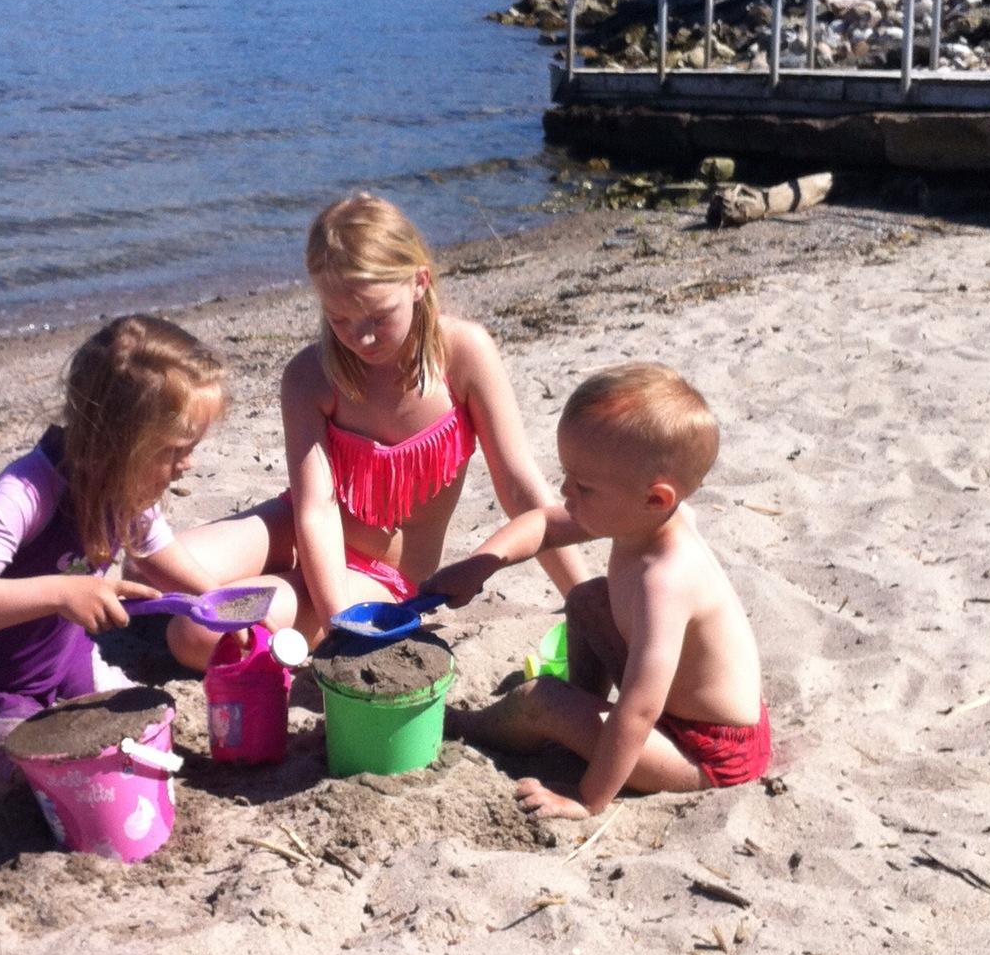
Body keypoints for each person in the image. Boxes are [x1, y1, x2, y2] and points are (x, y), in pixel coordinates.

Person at [166, 193, 588, 668]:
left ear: (419, 282)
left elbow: (519, 488)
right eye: (339, 319)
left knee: (198, 633)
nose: (360, 337)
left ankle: (277, 596)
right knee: (155, 570)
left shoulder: (464, 355)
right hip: (299, 527)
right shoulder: (311, 375)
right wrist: (337, 618)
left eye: (377, 317)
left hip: (377, 574)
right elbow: (316, 510)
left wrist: (584, 597)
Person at [426, 363, 768, 818]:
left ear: (655, 498)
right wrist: (479, 566)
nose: (566, 492)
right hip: (676, 711)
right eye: (567, 475)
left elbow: (640, 710)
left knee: (539, 701)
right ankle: (579, 711)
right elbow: (545, 524)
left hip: (706, 754)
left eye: (583, 486)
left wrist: (586, 799)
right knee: (588, 598)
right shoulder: (641, 518)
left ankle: (467, 725)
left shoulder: (664, 581)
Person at [0, 314, 235, 797]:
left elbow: (156, 550)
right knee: (56, 780)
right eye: (175, 449)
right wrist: (64, 591)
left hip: (64, 665)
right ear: (118, 443)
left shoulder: (127, 486)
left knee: (148, 723)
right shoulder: (28, 490)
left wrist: (215, 599)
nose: (187, 463)